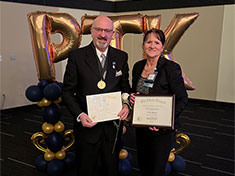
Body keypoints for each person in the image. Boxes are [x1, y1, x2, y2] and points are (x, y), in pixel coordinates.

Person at [62, 16, 131, 176]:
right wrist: (80, 115)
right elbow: (67, 91)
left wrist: (126, 104)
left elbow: (125, 88)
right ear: (91, 32)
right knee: (86, 168)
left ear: (112, 34)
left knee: (111, 168)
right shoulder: (76, 57)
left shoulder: (121, 57)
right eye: (98, 29)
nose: (103, 34)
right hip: (87, 126)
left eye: (107, 31)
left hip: (112, 127)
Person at [129, 28, 188, 176]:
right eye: (148, 42)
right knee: (143, 164)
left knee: (156, 169)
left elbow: (182, 98)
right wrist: (131, 97)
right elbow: (135, 90)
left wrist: (165, 121)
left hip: (161, 130)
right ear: (143, 45)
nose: (152, 46)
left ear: (162, 47)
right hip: (141, 126)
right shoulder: (137, 67)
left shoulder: (171, 68)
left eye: (156, 42)